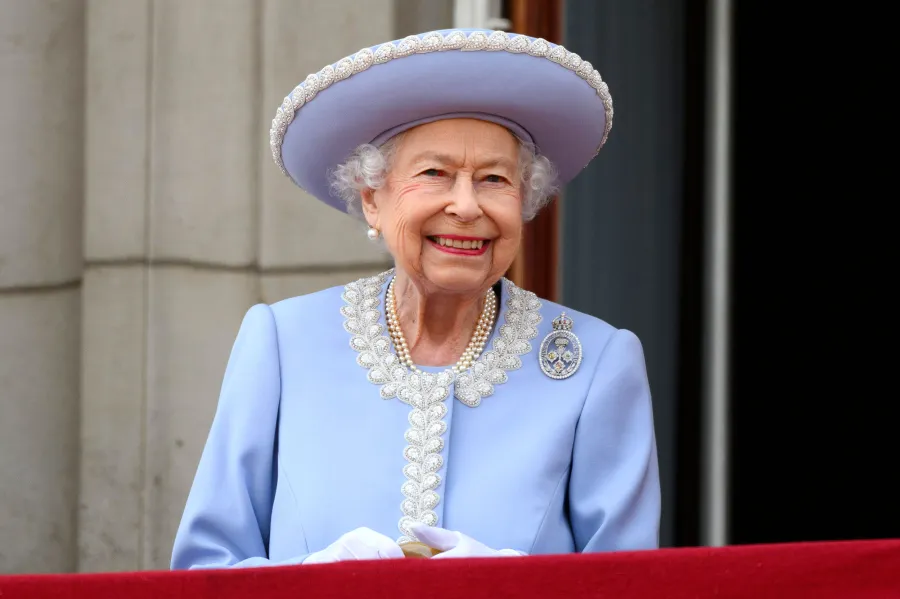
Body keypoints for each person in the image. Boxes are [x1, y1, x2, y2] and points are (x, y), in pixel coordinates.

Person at [171, 28, 660, 569]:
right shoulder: (283, 342)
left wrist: (511, 584)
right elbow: (204, 568)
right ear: (372, 200)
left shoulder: (597, 362)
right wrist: (306, 581)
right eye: (435, 174)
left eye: (495, 179)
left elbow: (632, 579)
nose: (467, 206)